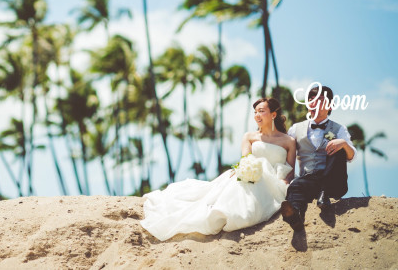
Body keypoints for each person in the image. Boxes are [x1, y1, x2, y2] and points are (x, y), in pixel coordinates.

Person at [140, 98, 296, 240]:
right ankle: (221, 213)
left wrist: (284, 183)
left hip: (276, 182)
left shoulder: (288, 141)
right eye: (255, 112)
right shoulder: (249, 136)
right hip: (250, 177)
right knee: (232, 192)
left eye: (261, 111)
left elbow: (290, 170)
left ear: (273, 114)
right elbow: (246, 160)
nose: (257, 115)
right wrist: (245, 171)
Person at [280, 84, 356, 231]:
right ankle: (294, 215)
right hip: (309, 181)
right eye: (311, 99)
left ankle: (325, 193)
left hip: (334, 183)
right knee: (295, 186)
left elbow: (351, 156)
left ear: (330, 105)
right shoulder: (296, 129)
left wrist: (344, 144)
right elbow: (286, 153)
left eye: (319, 99)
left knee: (340, 148)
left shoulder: (339, 129)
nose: (313, 103)